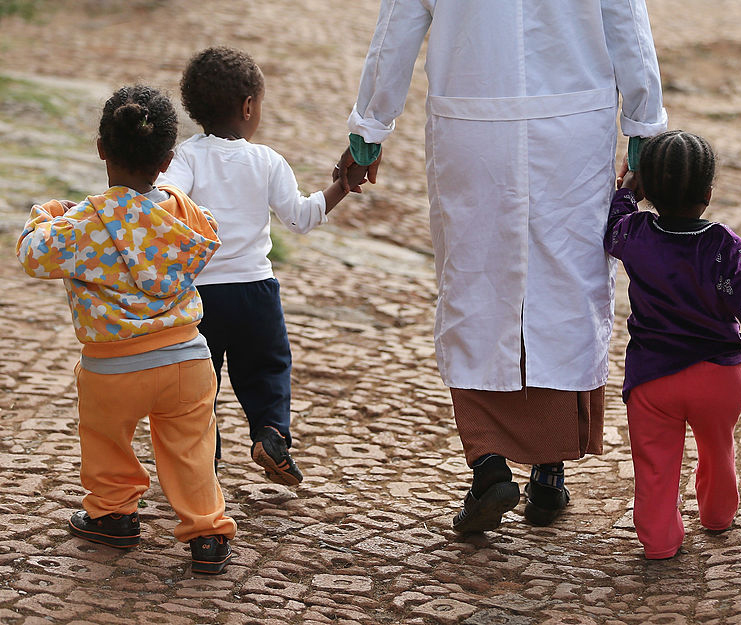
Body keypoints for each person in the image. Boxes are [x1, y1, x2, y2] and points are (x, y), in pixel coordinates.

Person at [334, 0, 669, 532]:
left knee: (474, 285)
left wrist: (368, 130)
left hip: (472, 130)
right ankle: (549, 470)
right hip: (574, 131)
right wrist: (645, 128)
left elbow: (396, 29)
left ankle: (489, 465)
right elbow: (626, 21)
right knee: (566, 283)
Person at [16, 85, 236, 574]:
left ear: (101, 149)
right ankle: (207, 535)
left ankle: (113, 516)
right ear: (167, 160)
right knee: (192, 449)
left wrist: (44, 217)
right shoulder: (180, 211)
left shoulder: (86, 221)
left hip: (112, 368)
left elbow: (34, 255)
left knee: (106, 441)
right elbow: (211, 231)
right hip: (187, 360)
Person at [159, 46, 361, 485]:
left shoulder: (186, 158)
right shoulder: (267, 161)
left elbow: (165, 202)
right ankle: (269, 434)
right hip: (255, 291)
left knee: (197, 385)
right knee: (268, 369)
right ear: (249, 106)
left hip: (198, 295)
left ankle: (201, 465)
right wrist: (340, 186)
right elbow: (302, 217)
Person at [605, 130, 741, 559]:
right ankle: (717, 514)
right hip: (719, 377)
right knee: (718, 446)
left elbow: (610, 231)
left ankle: (659, 541)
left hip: (653, 378)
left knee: (655, 464)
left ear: (648, 191)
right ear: (708, 195)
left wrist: (626, 193)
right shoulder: (723, 244)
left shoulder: (635, 234)